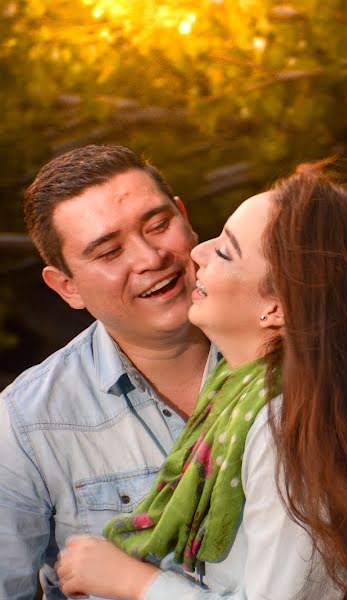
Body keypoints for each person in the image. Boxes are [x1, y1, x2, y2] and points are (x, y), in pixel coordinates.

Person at [56, 163, 347, 599]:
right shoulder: (238, 397)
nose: (198, 253)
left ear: (276, 309)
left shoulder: (285, 430)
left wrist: (132, 582)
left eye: (225, 253)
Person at [0, 145, 217, 600]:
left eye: (158, 225)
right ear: (67, 287)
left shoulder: (295, 363)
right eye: (109, 251)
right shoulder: (26, 422)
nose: (149, 257)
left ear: (185, 217)